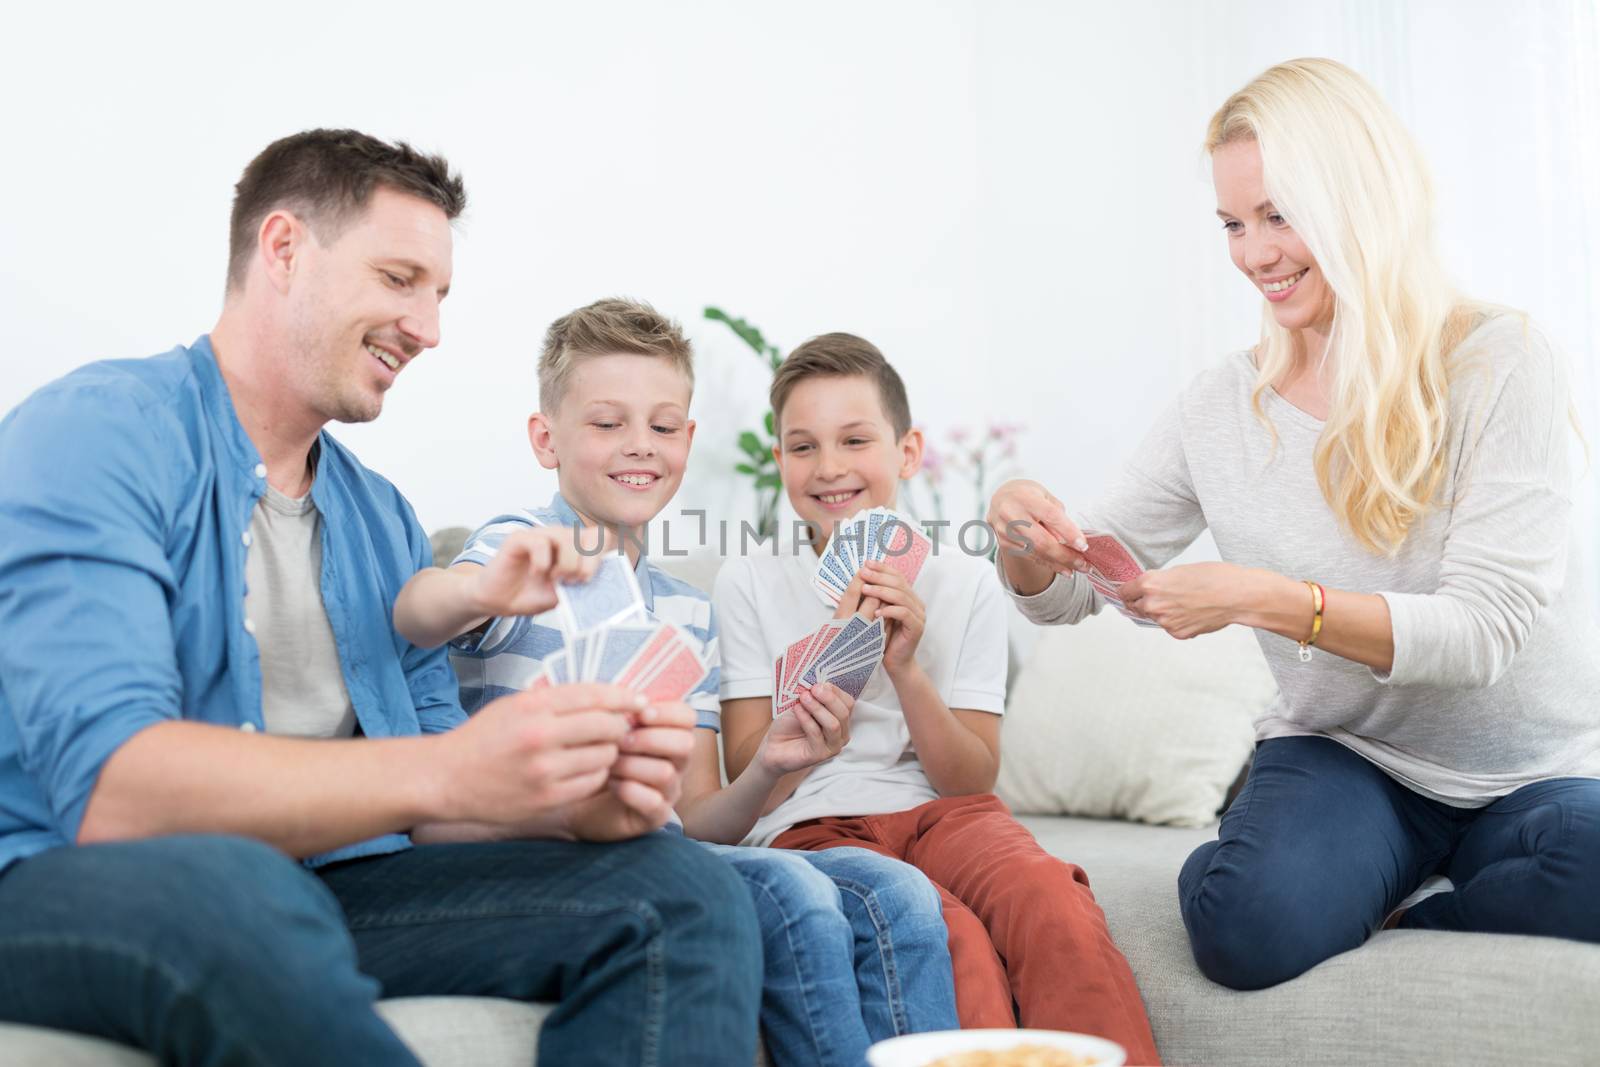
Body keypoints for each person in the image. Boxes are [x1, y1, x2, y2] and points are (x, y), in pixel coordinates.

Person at [0, 130, 761, 1067]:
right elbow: (112, 793)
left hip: (328, 883)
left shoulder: (379, 519)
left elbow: (436, 807)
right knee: (238, 889)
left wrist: (571, 807)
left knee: (681, 889)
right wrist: (445, 772)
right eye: (400, 278)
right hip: (63, 877)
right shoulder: (98, 432)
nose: (430, 328)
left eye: (439, 295)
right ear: (283, 249)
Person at [986, 58, 1600, 993]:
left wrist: (1274, 602)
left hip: (1533, 772)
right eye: (1234, 223)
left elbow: (1485, 630)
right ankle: (1316, 853)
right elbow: (1072, 586)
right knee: (1250, 925)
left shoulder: (1499, 362)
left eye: (1280, 215)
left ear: (1362, 204)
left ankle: (1409, 901)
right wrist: (1021, 540)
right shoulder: (1223, 406)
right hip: (1348, 759)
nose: (1254, 252)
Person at [393, 297, 960, 1067]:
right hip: (539, 857)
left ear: (688, 441)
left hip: (661, 849)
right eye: (606, 423)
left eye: (663, 426)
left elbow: (699, 821)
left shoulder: (687, 613)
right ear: (545, 438)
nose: (639, 447)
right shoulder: (515, 548)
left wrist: (773, 762)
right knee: (798, 898)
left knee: (898, 893)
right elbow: (417, 613)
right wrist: (478, 591)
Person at [711, 333, 1162, 1065]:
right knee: (953, 937)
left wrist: (906, 668)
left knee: (1050, 898)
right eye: (803, 446)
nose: (829, 467)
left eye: (855, 439)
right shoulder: (748, 581)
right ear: (779, 461)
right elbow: (748, 782)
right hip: (814, 822)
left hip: (944, 808)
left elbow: (970, 776)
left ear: (907, 450)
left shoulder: (963, 579)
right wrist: (833, 661)